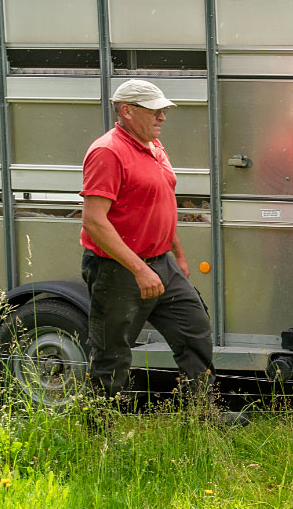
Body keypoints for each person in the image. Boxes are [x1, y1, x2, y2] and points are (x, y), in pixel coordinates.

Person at [80, 79, 214, 400]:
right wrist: (139, 270)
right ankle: (101, 429)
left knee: (195, 330)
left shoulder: (154, 147)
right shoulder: (107, 152)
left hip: (161, 264)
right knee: (112, 352)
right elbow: (94, 221)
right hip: (118, 270)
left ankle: (202, 413)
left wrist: (177, 253)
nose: (162, 118)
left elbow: (159, 203)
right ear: (126, 111)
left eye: (164, 111)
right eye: (155, 111)